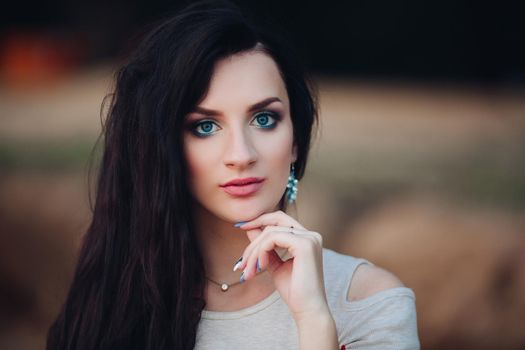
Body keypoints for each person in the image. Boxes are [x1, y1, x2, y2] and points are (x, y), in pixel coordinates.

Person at [46, 1, 420, 349]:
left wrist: (314, 321)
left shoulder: (370, 302)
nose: (241, 155)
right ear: (162, 146)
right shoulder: (116, 292)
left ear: (295, 141)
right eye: (205, 126)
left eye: (264, 119)